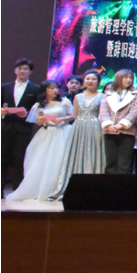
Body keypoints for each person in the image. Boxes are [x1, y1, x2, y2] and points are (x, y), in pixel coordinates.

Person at [7, 80, 73, 201]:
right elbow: (37, 121)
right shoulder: (39, 105)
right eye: (51, 88)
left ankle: (59, 189)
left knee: (61, 160)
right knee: (43, 161)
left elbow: (72, 116)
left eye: (56, 88)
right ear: (45, 91)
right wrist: (41, 120)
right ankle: (44, 189)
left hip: (63, 132)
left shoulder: (64, 101)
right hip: (47, 132)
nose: (55, 90)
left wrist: (61, 119)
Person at [48, 70, 106, 200]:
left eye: (93, 79)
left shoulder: (103, 97)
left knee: (93, 154)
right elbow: (75, 116)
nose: (90, 81)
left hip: (95, 128)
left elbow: (102, 115)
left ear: (98, 82)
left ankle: (91, 188)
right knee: (76, 154)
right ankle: (71, 188)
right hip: (78, 127)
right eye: (88, 78)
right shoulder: (78, 97)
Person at [1, 58, 40, 193]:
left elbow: (38, 109)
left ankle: (17, 191)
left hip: (24, 129)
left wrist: (27, 114)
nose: (22, 71)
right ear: (15, 71)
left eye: (25, 69)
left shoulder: (36, 89)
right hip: (6, 128)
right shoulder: (4, 87)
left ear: (30, 72)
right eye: (20, 68)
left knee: (19, 160)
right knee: (2, 159)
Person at [99, 69, 137, 175]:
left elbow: (135, 112)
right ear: (119, 78)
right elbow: (103, 111)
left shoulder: (136, 95)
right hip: (110, 132)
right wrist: (109, 125)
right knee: (110, 163)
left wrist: (122, 124)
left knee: (124, 164)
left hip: (127, 132)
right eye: (126, 77)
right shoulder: (108, 95)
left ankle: (122, 185)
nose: (129, 80)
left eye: (130, 78)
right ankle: (110, 184)